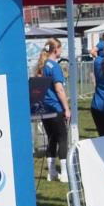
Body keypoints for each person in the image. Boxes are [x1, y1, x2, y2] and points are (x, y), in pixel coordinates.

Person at [32, 38, 70, 181]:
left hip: (44, 108)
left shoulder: (42, 65)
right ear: (55, 50)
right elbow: (59, 89)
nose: (61, 50)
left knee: (52, 138)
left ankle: (52, 172)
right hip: (55, 107)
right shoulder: (54, 66)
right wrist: (66, 108)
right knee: (62, 138)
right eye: (60, 48)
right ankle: (64, 173)